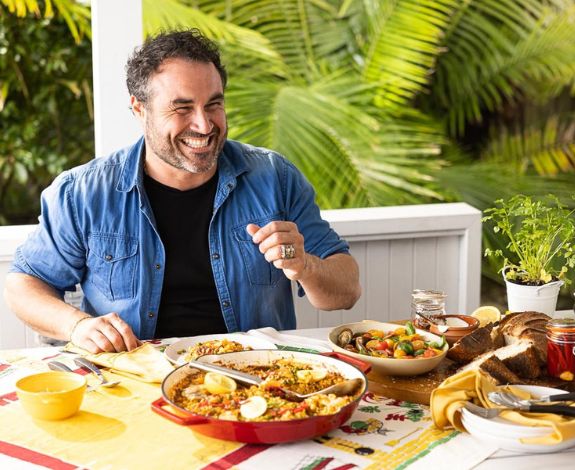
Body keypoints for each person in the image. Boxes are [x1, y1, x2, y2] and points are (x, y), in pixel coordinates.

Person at [3, 29, 361, 353]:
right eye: (182, 107)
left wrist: (305, 267)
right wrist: (77, 325)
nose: (204, 125)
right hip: (131, 381)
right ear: (139, 110)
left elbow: (346, 291)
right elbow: (24, 284)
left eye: (214, 104)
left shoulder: (275, 177)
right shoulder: (82, 192)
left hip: (257, 379)